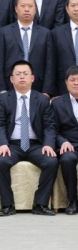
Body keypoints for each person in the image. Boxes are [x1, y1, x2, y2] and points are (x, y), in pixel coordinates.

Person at [0, 60, 58, 216]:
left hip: (36, 144)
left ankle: (40, 204)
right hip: (12, 144)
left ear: (32, 78)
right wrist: (2, 144)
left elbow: (50, 126)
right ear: (11, 79)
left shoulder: (42, 99)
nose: (22, 77)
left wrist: (48, 144)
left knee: (51, 161)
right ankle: (7, 205)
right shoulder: (4, 99)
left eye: (25, 74)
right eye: (18, 74)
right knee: (0, 161)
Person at [0, 0, 55, 96]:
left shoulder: (45, 33)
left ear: (35, 9)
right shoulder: (4, 32)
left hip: (38, 86)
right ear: (16, 9)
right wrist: (2, 89)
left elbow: (50, 64)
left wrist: (47, 91)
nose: (26, 9)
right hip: (10, 85)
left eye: (30, 6)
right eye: (23, 6)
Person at [52, 65, 78, 215]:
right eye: (72, 80)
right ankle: (72, 200)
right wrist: (63, 142)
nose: (76, 83)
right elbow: (52, 129)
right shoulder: (57, 103)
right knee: (67, 159)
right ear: (66, 82)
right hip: (69, 146)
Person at [53, 0, 78, 95]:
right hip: (63, 85)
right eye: (73, 5)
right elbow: (51, 62)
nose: (76, 9)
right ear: (67, 9)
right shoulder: (56, 33)